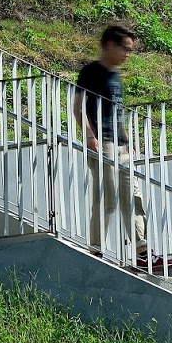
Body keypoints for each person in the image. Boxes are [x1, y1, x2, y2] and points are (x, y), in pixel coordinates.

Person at [74, 22, 148, 268]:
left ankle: (142, 251)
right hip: (101, 142)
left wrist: (128, 142)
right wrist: (89, 136)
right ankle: (95, 249)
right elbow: (78, 106)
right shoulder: (91, 72)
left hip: (121, 145)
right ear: (109, 45)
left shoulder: (116, 78)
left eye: (130, 50)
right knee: (108, 198)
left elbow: (117, 114)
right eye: (124, 49)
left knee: (133, 196)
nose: (127, 54)